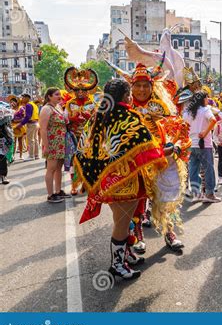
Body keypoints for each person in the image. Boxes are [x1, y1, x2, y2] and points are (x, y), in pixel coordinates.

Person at [74, 79, 169, 280]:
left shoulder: (96, 117)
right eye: (129, 93)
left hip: (105, 181)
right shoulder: (128, 117)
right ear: (126, 96)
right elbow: (148, 145)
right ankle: (117, 265)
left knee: (121, 222)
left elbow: (83, 148)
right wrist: (166, 151)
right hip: (125, 182)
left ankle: (125, 254)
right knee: (122, 224)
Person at [107, 60, 190, 252]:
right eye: (138, 86)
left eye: (146, 85)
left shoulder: (161, 107)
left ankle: (169, 232)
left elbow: (174, 130)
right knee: (136, 202)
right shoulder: (126, 109)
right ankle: (136, 236)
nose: (142, 90)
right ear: (131, 87)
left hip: (161, 158)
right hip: (137, 162)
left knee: (165, 197)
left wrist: (175, 143)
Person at [63, 67, 98, 196]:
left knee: (88, 160)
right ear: (74, 91)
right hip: (74, 136)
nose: (80, 92)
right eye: (77, 90)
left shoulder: (92, 103)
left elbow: (99, 119)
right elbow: (64, 119)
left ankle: (85, 184)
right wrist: (73, 119)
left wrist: (91, 118)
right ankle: (74, 185)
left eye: (83, 90)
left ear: (88, 91)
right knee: (74, 160)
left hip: (89, 136)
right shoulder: (70, 103)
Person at [183, 92, 220, 203]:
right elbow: (213, 120)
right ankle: (209, 194)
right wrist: (205, 132)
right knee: (208, 169)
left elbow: (183, 125)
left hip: (191, 144)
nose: (208, 100)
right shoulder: (205, 110)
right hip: (204, 144)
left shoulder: (187, 112)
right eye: (207, 98)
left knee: (193, 169)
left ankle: (195, 193)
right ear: (203, 99)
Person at [39, 88, 68, 203]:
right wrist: (46, 146)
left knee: (58, 169)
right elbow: (43, 129)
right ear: (49, 96)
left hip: (60, 143)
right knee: (51, 169)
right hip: (52, 143)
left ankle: (58, 191)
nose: (59, 96)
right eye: (56, 94)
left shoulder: (58, 107)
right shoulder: (46, 109)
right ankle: (50, 195)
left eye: (60, 94)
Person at [15, 93, 39, 161]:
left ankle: (31, 156)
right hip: (36, 123)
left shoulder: (28, 105)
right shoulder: (34, 104)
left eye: (22, 98)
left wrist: (21, 124)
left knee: (31, 140)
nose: (21, 99)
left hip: (31, 124)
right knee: (35, 140)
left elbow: (28, 116)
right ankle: (36, 155)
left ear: (26, 98)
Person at [8, 96, 26, 160]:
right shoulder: (9, 109)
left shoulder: (21, 109)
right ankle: (13, 155)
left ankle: (21, 155)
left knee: (20, 141)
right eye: (11, 102)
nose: (12, 103)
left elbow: (24, 117)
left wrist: (17, 121)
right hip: (12, 126)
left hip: (19, 126)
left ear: (16, 102)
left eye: (13, 102)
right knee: (13, 141)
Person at [0, 104, 13, 184]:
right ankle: (3, 176)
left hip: (2, 139)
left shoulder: (4, 110)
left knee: (2, 158)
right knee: (2, 158)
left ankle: (3, 176)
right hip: (3, 139)